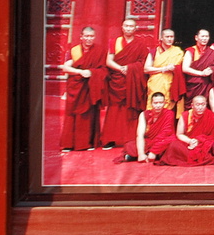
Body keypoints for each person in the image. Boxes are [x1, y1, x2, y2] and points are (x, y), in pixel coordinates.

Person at [101, 19, 150, 149]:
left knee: (131, 109)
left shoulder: (140, 44)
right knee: (114, 109)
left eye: (131, 26)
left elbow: (143, 62)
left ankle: (130, 138)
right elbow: (108, 61)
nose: (128, 29)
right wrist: (121, 69)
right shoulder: (114, 42)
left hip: (133, 81)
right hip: (117, 80)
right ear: (122, 28)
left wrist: (130, 68)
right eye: (126, 26)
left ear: (135, 29)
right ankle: (110, 139)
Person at [60, 27, 108, 151]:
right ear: (81, 36)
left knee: (89, 115)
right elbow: (65, 68)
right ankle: (68, 144)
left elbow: (104, 70)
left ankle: (88, 143)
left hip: (90, 88)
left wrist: (92, 72)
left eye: (91, 36)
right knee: (71, 114)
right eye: (86, 36)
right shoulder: (75, 50)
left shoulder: (99, 51)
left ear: (94, 37)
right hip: (76, 86)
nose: (89, 39)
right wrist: (80, 72)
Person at [162, 95, 214, 167]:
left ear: (206, 104)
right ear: (192, 105)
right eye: (197, 105)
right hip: (187, 143)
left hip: (203, 144)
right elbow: (179, 134)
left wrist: (199, 140)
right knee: (174, 145)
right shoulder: (185, 115)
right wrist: (190, 141)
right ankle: (194, 158)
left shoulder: (212, 117)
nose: (200, 107)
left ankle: (191, 157)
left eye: (203, 104)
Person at [118, 92, 175, 163]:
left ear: (164, 103)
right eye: (155, 103)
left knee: (172, 143)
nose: (158, 105)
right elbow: (140, 135)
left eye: (160, 103)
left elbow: (166, 133)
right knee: (130, 145)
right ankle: (149, 155)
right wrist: (140, 154)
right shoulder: (144, 114)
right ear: (151, 103)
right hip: (149, 141)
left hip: (162, 141)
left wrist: (154, 151)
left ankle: (137, 156)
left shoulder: (169, 114)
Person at [144, 29, 184, 111]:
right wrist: (163, 69)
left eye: (171, 37)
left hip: (171, 83)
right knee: (154, 105)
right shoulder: (154, 51)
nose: (170, 39)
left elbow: (182, 68)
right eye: (167, 37)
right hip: (156, 83)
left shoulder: (178, 52)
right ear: (161, 38)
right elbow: (146, 69)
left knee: (168, 108)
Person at [182, 29, 214, 109]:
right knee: (192, 106)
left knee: (205, 105)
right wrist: (201, 73)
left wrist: (212, 69)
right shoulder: (190, 51)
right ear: (196, 38)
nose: (205, 38)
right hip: (193, 85)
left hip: (206, 84)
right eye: (202, 36)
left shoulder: (211, 52)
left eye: (207, 36)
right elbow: (185, 68)